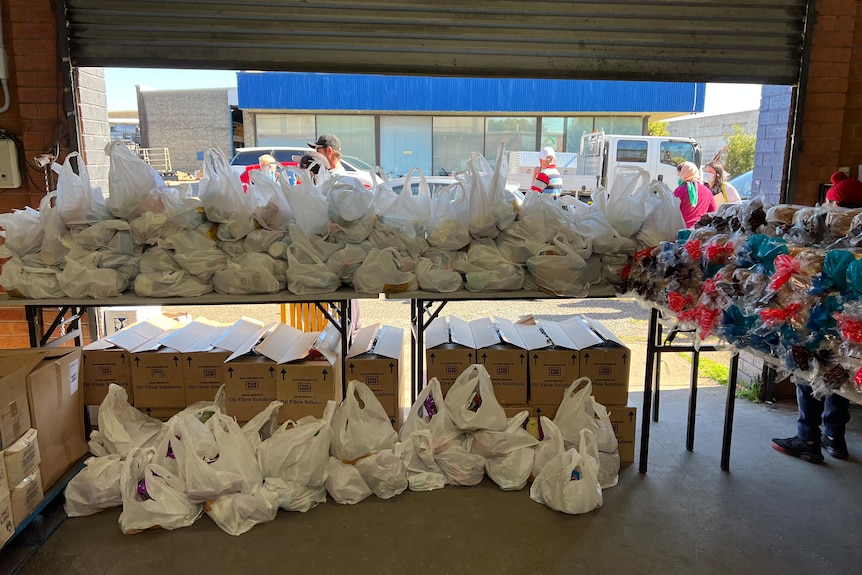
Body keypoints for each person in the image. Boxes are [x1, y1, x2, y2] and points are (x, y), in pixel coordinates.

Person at [771, 171, 862, 464]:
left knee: (809, 369)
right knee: (841, 372)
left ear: (836, 207)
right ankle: (834, 436)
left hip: (820, 320)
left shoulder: (824, 243)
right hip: (852, 329)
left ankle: (807, 437)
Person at [673, 161, 716, 228]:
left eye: (679, 175)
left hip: (681, 230)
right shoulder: (708, 191)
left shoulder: (680, 191)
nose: (679, 177)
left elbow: (671, 211)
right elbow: (712, 212)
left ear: (684, 174)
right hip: (699, 231)